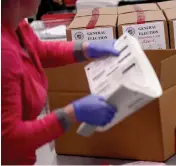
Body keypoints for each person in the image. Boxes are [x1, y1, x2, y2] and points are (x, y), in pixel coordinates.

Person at [1, 0, 119, 165]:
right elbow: (8, 141)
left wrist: (85, 49)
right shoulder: (3, 54)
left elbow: (39, 51)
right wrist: (72, 113)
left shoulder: (16, 24)